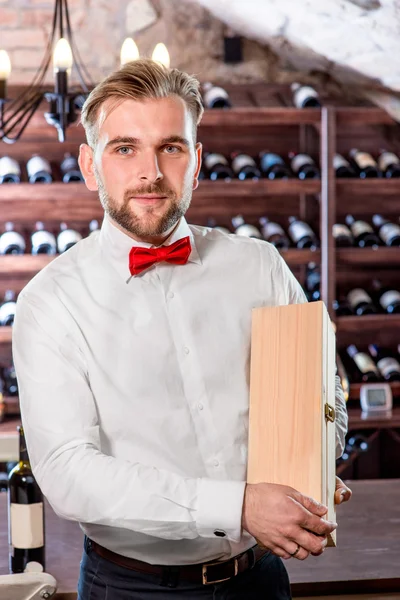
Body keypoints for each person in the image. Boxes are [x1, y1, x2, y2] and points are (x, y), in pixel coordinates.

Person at [12, 59, 351, 600]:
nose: (150, 171)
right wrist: (240, 505)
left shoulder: (260, 266)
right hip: (132, 588)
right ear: (90, 165)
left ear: (194, 162)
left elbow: (322, 387)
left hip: (260, 581)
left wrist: (314, 464)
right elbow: (70, 474)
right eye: (125, 148)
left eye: (170, 147)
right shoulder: (51, 303)